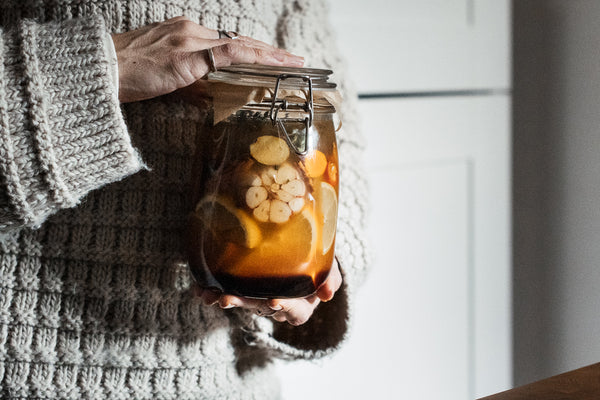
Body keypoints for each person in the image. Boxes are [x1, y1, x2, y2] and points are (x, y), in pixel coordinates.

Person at [0, 0, 368, 398]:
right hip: (36, 367)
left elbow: (337, 130)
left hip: (225, 381)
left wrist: (313, 267)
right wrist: (103, 67)